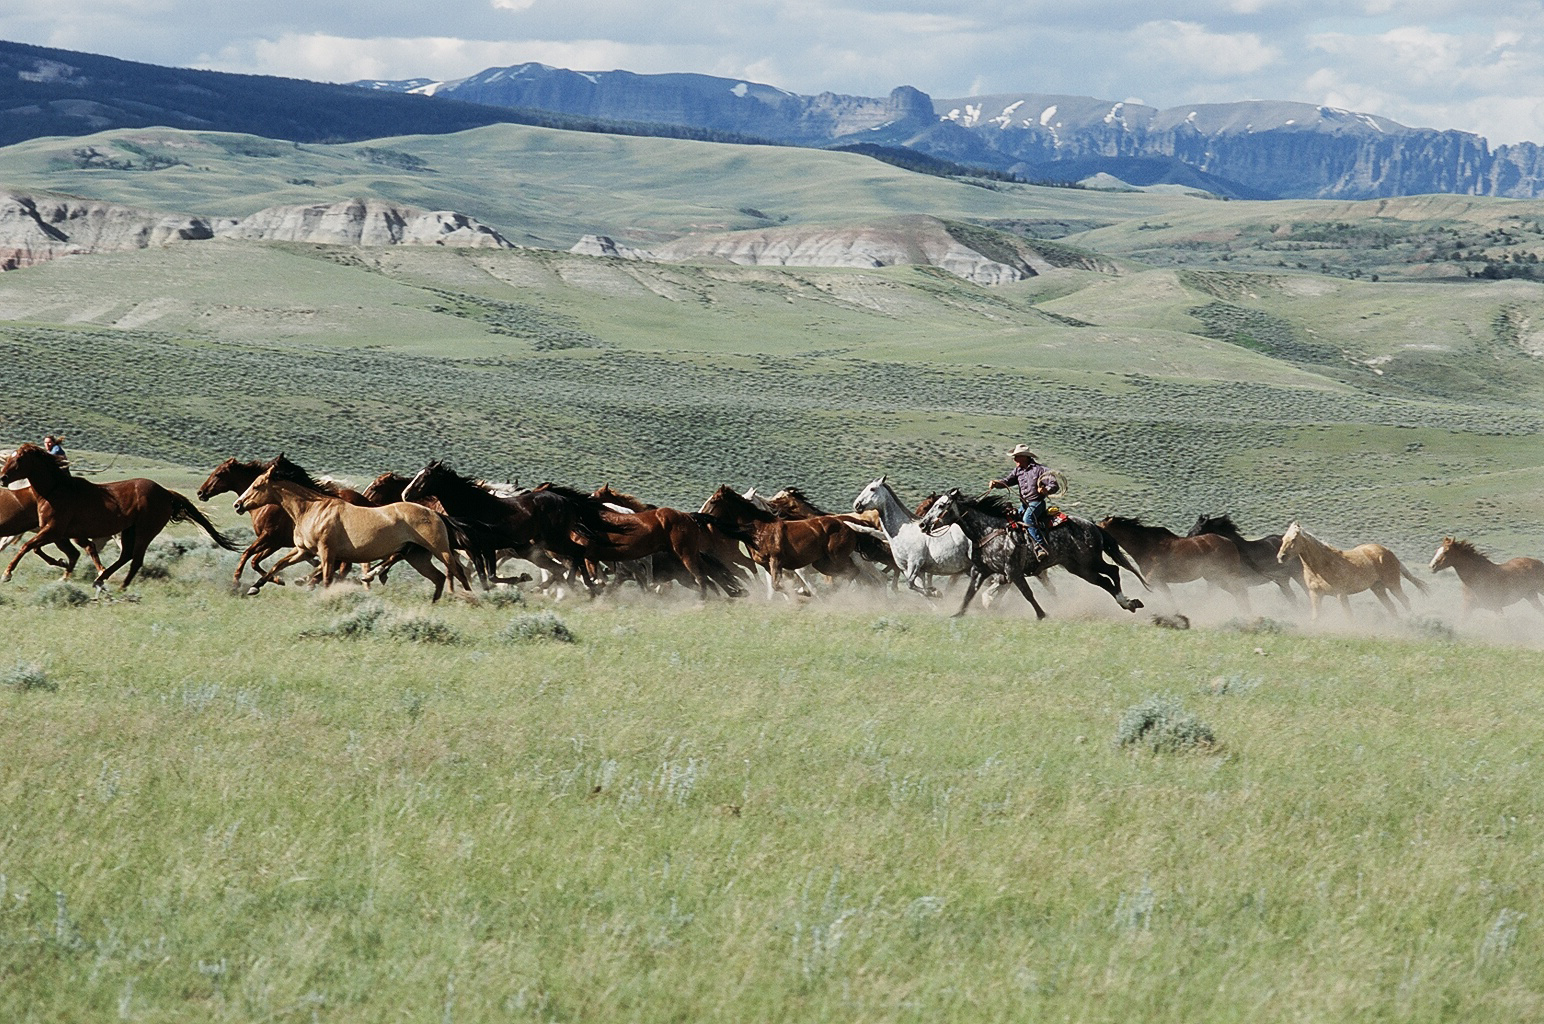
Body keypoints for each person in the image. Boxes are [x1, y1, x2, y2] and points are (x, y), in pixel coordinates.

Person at [988, 443, 1059, 559]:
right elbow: (1007, 481)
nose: (1014, 459)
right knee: (1012, 519)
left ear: (1025, 457)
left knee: (1027, 519)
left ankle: (1041, 547)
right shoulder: (1018, 471)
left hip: (1037, 503)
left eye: (1017, 456)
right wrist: (996, 484)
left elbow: (1054, 485)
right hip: (1024, 504)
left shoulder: (1041, 470)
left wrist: (1045, 490)